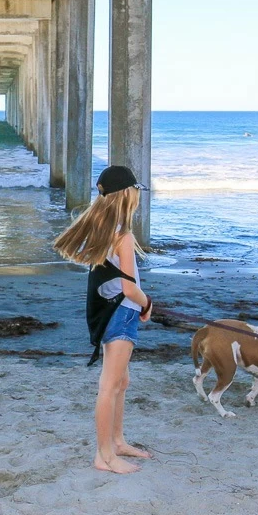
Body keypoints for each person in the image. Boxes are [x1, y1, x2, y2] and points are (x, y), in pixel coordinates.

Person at [54, 165, 153, 474]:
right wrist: (148, 302)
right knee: (109, 386)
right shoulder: (122, 235)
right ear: (127, 194)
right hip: (121, 313)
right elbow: (128, 286)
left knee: (122, 381)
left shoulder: (107, 230)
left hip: (115, 311)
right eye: (136, 190)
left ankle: (118, 441)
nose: (138, 196)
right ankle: (105, 456)